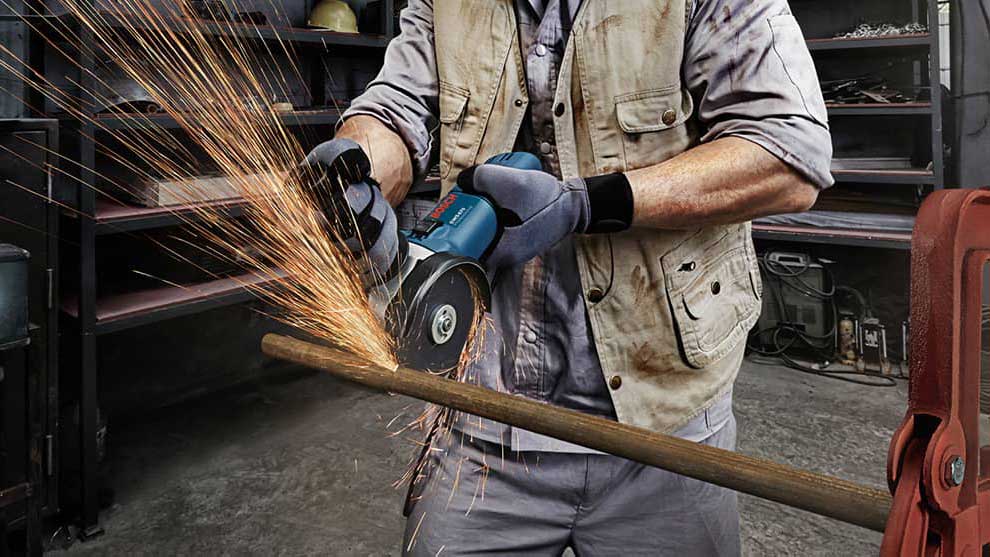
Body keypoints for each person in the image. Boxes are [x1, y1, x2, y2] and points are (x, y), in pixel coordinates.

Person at [304, 0, 832, 554]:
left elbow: (789, 154)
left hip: (662, 423)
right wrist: (359, 169)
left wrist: (588, 204)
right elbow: (394, 109)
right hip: (484, 413)